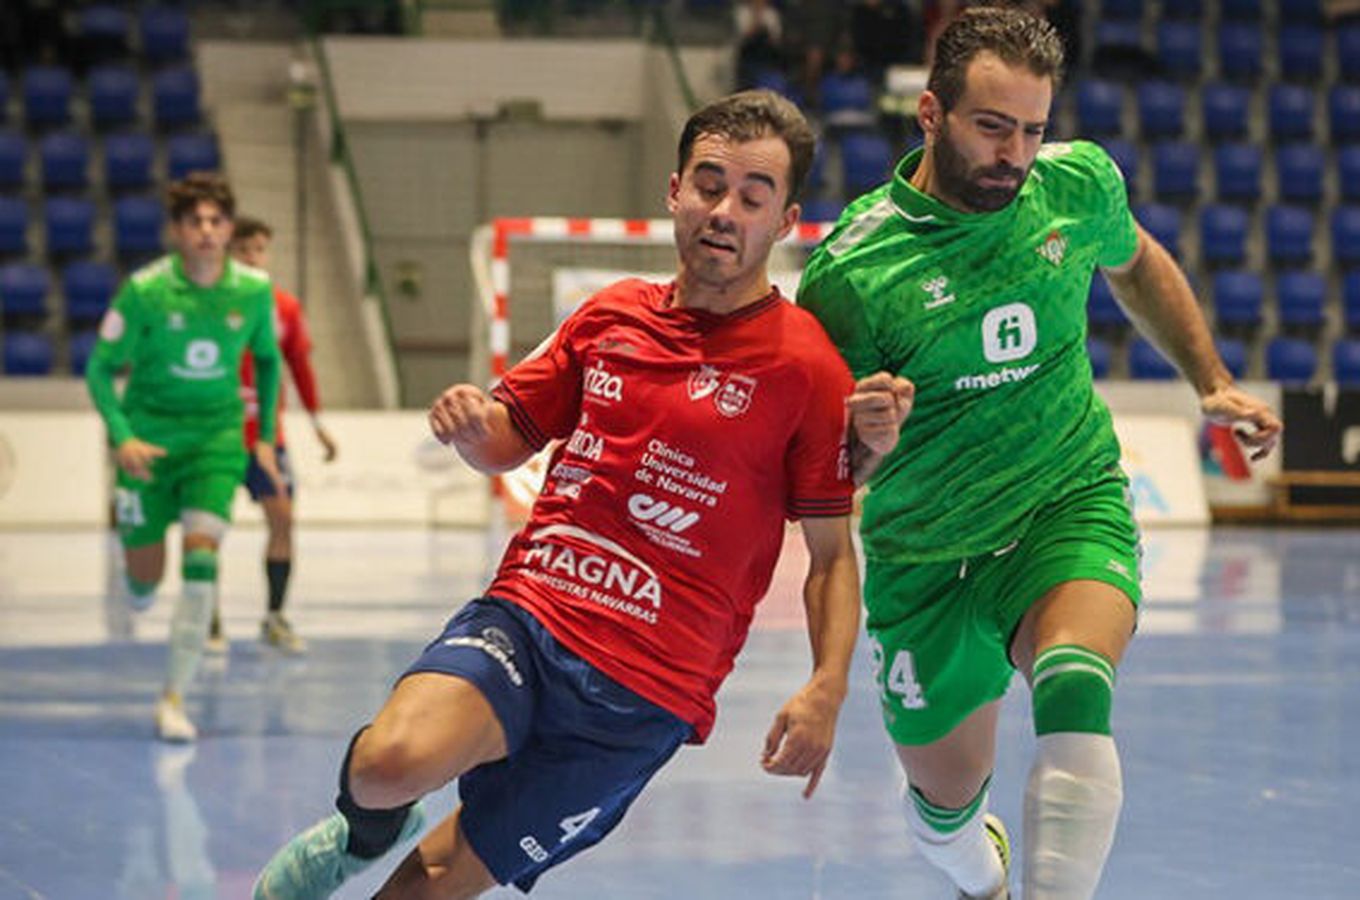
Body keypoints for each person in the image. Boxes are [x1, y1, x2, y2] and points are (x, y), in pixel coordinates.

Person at [252, 89, 874, 899]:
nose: (725, 212)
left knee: (421, 891)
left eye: (752, 198)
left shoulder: (808, 367)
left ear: (785, 220)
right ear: (675, 192)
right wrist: (471, 428)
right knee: (383, 767)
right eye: (709, 185)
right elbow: (507, 439)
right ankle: (367, 830)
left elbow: (831, 555)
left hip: (645, 695)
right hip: (534, 616)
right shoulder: (610, 316)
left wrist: (828, 684)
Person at [797, 7, 1282, 899]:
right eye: (992, 127)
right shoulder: (852, 274)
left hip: (1064, 499)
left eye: (1032, 129)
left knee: (1073, 682)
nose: (1015, 154)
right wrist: (868, 439)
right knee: (944, 815)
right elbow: (825, 474)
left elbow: (1137, 263)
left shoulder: (1076, 185)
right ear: (932, 114)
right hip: (926, 556)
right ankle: (980, 875)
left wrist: (1209, 380)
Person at [86, 171, 284, 743]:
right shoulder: (145, 291)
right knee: (144, 583)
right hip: (147, 445)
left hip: (216, 442)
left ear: (228, 228)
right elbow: (99, 368)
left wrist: (264, 436)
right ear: (176, 230)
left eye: (216, 221)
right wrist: (122, 436)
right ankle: (139, 581)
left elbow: (268, 359)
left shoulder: (253, 290)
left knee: (202, 556)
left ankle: (173, 698)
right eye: (194, 221)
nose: (206, 230)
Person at [206, 216, 338, 656]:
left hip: (267, 438)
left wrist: (318, 425)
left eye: (259, 249)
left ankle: (275, 616)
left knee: (283, 518)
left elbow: (300, 367)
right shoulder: (209, 304)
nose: (253, 257)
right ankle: (208, 618)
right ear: (229, 254)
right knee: (207, 526)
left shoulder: (283, 308)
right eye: (244, 250)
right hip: (219, 435)